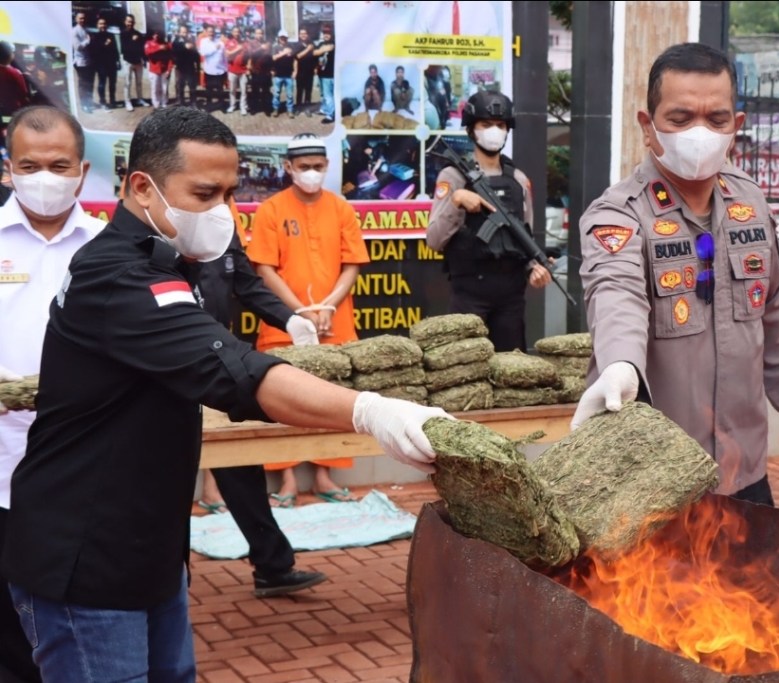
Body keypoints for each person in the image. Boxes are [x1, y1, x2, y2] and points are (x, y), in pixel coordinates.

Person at [0, 106, 451, 681]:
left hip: (148, 546)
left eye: (230, 193)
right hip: (87, 558)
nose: (221, 211)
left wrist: (290, 323)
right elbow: (238, 371)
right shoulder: (115, 274)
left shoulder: (163, 258)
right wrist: (371, 411)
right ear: (143, 186)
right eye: (205, 193)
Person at [569, 43, 779, 506]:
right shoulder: (618, 214)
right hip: (654, 479)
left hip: (744, 468)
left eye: (716, 119)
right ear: (647, 126)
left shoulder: (749, 205)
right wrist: (619, 364)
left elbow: (773, 307)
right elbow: (616, 292)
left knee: (754, 578)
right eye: (680, 118)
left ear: (737, 126)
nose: (699, 133)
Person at [0, 105, 105, 683]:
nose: (45, 177)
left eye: (59, 165)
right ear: (8, 169)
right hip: (2, 461)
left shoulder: (109, 247)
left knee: (76, 613)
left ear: (82, 171)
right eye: (29, 165)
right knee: (10, 630)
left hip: (85, 467)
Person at [187, 197, 328, 597]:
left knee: (241, 462)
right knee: (165, 476)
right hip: (171, 367)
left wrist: (290, 319)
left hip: (220, 365)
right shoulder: (158, 228)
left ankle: (272, 566)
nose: (219, 196)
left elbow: (247, 285)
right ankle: (167, 582)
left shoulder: (222, 223)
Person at [248, 133, 368, 506]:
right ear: (288, 168)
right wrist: (298, 313)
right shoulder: (271, 209)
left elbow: (352, 265)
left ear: (327, 166)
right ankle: (286, 480)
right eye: (304, 168)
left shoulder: (341, 208)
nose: (312, 173)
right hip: (283, 322)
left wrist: (327, 307)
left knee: (334, 397)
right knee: (279, 397)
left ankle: (324, 476)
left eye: (318, 167)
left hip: (335, 320)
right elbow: (264, 268)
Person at [425, 90, 551, 353]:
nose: (494, 131)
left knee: (512, 374)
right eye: (486, 125)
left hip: (511, 297)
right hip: (469, 293)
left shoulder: (518, 180)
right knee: (464, 368)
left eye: (500, 125)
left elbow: (523, 235)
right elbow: (434, 241)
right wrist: (456, 201)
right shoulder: (453, 176)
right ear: (472, 130)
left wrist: (534, 267)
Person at [88, 18, 120, 112]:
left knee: (112, 83)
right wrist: (105, 44)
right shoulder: (94, 36)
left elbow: (115, 49)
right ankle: (102, 102)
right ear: (97, 25)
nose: (103, 25)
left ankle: (112, 100)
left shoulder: (111, 35)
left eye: (104, 23)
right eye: (100, 24)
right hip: (101, 64)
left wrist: (118, 61)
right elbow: (94, 51)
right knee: (102, 83)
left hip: (112, 63)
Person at [121, 13, 147, 111]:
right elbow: (124, 49)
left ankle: (140, 99)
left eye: (131, 22)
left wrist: (144, 60)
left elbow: (142, 48)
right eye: (128, 21)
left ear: (134, 22)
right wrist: (133, 41)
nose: (130, 24)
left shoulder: (138, 34)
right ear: (125, 22)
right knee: (127, 83)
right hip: (128, 62)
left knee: (139, 82)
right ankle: (127, 102)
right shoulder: (123, 34)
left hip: (138, 62)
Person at [198, 26, 228, 112]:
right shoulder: (203, 42)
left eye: (212, 31)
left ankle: (222, 106)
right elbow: (203, 53)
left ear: (214, 32)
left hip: (220, 70)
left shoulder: (220, 42)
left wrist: (226, 68)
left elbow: (224, 57)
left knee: (220, 90)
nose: (211, 33)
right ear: (206, 32)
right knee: (209, 90)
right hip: (209, 71)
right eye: (209, 31)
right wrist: (215, 48)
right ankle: (209, 106)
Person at [71, 12, 94, 114]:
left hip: (88, 61)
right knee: (83, 84)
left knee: (89, 83)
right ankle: (84, 104)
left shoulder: (86, 29)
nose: (82, 20)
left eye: (84, 18)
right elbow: (78, 47)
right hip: (80, 62)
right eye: (80, 18)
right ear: (76, 19)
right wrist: (88, 41)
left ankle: (89, 102)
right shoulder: (74, 31)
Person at [269, 29, 295, 118]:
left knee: (290, 94)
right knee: (276, 94)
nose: (283, 39)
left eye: (284, 38)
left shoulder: (291, 47)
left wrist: (295, 71)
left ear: (287, 38)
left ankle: (290, 110)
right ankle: (275, 109)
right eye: (281, 37)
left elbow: (294, 60)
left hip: (289, 75)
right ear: (279, 38)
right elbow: (273, 58)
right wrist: (284, 53)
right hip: (278, 75)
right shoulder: (275, 47)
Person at [145, 30, 173, 109]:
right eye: (154, 34)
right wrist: (158, 48)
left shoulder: (167, 44)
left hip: (164, 69)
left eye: (157, 34)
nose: (156, 36)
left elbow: (170, 58)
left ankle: (164, 102)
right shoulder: (149, 43)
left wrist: (169, 69)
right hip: (153, 69)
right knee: (155, 87)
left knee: (164, 87)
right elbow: (147, 52)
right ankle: (156, 103)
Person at [313, 25, 335, 124]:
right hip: (321, 74)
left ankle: (331, 115)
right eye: (325, 33)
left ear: (331, 34)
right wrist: (323, 49)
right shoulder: (321, 43)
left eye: (328, 33)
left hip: (331, 74)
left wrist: (322, 49)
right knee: (323, 95)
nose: (326, 35)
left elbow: (330, 48)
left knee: (329, 95)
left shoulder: (334, 43)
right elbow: (314, 53)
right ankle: (325, 109)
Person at [224, 26, 249, 115]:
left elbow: (248, 57)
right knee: (232, 90)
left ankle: (243, 107)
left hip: (243, 71)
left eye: (238, 32)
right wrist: (237, 49)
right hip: (232, 70)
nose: (236, 33)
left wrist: (248, 68)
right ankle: (232, 105)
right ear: (232, 32)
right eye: (235, 31)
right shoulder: (229, 43)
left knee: (244, 90)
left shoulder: (245, 43)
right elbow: (227, 55)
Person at [293, 28, 317, 117]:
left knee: (308, 91)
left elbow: (315, 56)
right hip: (300, 71)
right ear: (299, 35)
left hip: (309, 71)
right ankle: (298, 108)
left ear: (307, 34)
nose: (303, 35)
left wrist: (315, 67)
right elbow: (297, 56)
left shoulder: (312, 44)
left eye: (305, 33)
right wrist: (307, 49)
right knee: (299, 91)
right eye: (301, 33)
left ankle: (307, 109)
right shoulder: (296, 45)